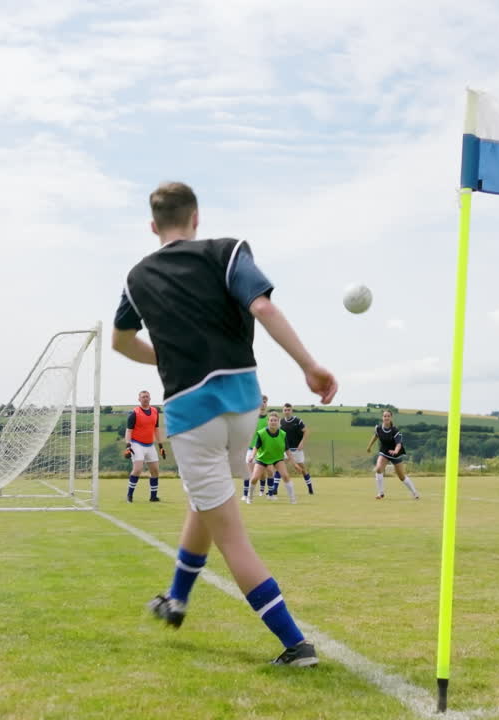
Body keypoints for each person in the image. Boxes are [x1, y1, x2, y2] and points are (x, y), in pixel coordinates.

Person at [112, 181, 337, 666]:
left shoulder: (137, 277)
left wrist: (168, 359)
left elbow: (121, 343)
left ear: (154, 226)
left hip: (194, 415)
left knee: (231, 535)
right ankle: (177, 601)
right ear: (196, 218)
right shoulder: (228, 251)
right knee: (206, 501)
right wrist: (309, 366)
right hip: (243, 408)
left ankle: (295, 645)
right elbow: (263, 306)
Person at [365, 409, 420, 500]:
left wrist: (395, 451)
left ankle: (414, 492)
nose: (386, 417)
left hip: (396, 454)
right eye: (384, 416)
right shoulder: (378, 428)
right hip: (384, 453)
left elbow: (399, 444)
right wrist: (369, 446)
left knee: (401, 477)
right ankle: (380, 493)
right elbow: (376, 436)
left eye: (388, 416)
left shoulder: (395, 430)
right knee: (378, 469)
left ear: (391, 418)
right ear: (382, 417)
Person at [123, 390, 166, 502]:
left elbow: (156, 429)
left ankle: (153, 497)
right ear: (139, 399)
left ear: (150, 398)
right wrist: (128, 446)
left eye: (147, 396)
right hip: (137, 444)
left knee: (155, 471)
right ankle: (129, 495)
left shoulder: (155, 412)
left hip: (150, 445)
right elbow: (128, 431)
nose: (145, 398)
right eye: (143, 397)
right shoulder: (134, 414)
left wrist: (161, 446)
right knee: (137, 469)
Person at [246, 412, 297, 504]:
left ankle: (293, 499)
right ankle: (249, 498)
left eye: (275, 420)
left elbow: (287, 450)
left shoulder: (283, 434)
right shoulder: (262, 433)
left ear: (278, 422)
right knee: (254, 478)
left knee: (285, 476)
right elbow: (256, 447)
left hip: (277, 459)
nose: (273, 422)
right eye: (271, 420)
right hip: (262, 459)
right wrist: (252, 456)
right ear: (268, 422)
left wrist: (295, 464)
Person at [280, 403, 314, 494]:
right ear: (283, 411)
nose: (287, 412)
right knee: (279, 467)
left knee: (302, 469)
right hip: (286, 450)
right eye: (285, 410)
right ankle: (274, 490)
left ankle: (310, 488)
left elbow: (306, 432)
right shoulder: (281, 422)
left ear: (291, 411)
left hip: (297, 450)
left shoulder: (298, 421)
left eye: (288, 410)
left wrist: (302, 443)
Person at [243, 394, 268, 497]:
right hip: (250, 449)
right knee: (248, 472)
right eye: (260, 401)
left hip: (263, 450)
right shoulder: (250, 417)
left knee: (261, 474)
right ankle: (245, 495)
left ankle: (262, 490)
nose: (262, 404)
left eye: (264, 402)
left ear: (266, 404)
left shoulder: (269, 419)